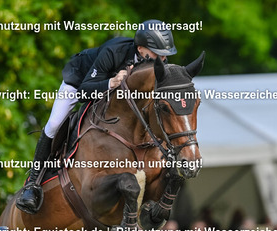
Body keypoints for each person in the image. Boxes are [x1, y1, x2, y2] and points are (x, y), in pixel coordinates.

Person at [16, 19, 178, 214]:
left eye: (165, 55)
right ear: (141, 48)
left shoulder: (155, 63)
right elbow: (84, 92)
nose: (162, 60)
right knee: (54, 123)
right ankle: (33, 183)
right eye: (157, 54)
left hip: (112, 97)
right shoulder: (114, 51)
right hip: (81, 82)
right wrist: (110, 83)